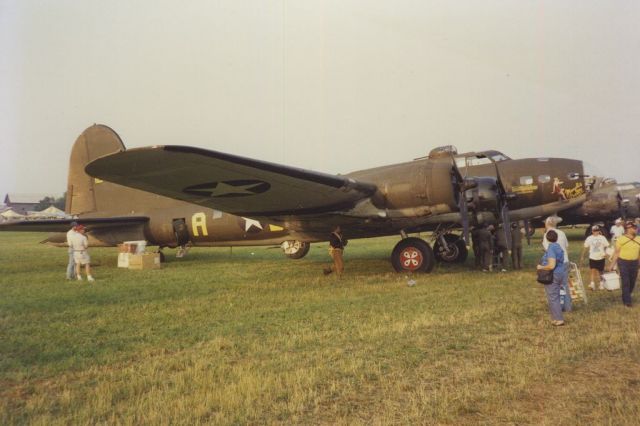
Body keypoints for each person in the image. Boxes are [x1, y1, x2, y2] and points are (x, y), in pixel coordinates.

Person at [542, 217, 571, 312]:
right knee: (565, 285)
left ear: (547, 224)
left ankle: (557, 307)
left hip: (555, 263)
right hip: (565, 260)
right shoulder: (562, 233)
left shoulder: (547, 235)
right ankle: (567, 306)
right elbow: (566, 246)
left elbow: (548, 250)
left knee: (554, 286)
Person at [537, 230, 566, 326]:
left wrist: (541, 267)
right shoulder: (558, 246)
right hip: (561, 273)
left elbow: (551, 265)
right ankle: (555, 318)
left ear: (546, 238)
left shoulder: (551, 248)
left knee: (553, 297)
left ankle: (559, 319)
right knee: (555, 296)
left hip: (553, 274)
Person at [609, 221, 640, 307]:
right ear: (629, 229)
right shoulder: (621, 239)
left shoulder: (639, 239)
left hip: (634, 263)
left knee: (632, 282)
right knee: (626, 281)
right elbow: (616, 253)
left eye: (636, 228)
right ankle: (627, 302)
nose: (636, 229)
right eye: (634, 228)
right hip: (623, 263)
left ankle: (627, 294)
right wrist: (611, 265)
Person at [580, 225, 609, 290]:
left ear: (599, 231)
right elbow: (585, 247)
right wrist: (582, 256)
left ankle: (601, 284)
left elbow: (606, 245)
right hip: (592, 257)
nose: (596, 232)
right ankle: (592, 284)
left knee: (601, 271)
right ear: (592, 231)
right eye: (594, 231)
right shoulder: (589, 238)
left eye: (597, 231)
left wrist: (605, 252)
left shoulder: (602, 238)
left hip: (601, 257)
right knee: (592, 270)